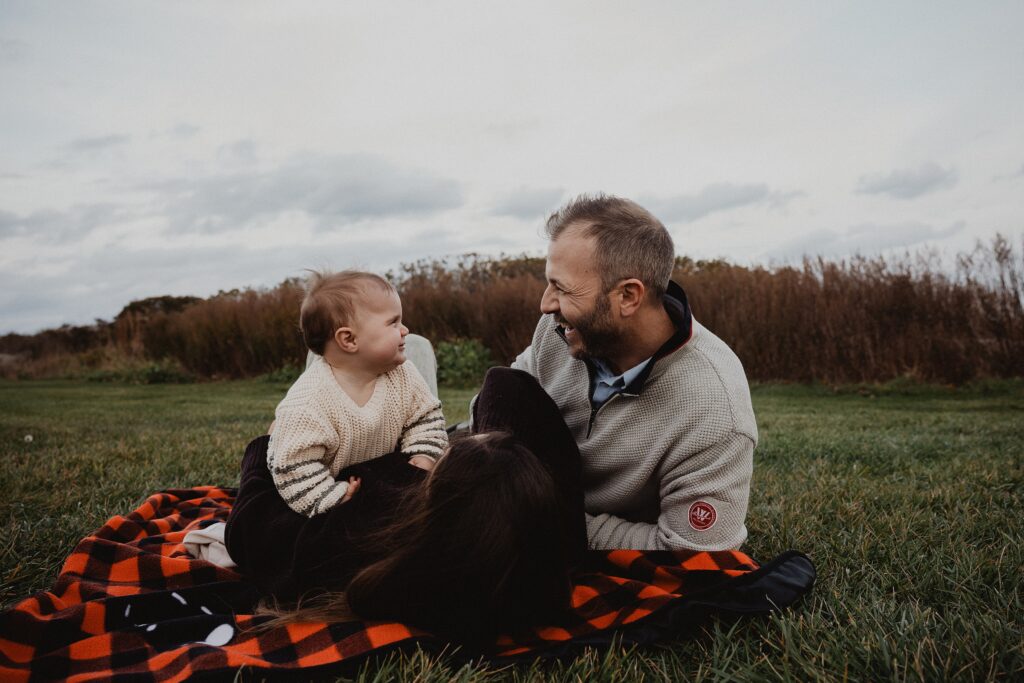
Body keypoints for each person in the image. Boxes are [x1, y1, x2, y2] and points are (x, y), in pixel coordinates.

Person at [226, 367, 585, 648]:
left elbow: (249, 528)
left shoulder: (358, 532)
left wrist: (266, 445)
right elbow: (508, 386)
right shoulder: (547, 548)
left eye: (448, 455)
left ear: (439, 497)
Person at [506, 193, 758, 552]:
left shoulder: (715, 408)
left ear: (627, 296)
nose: (545, 304)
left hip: (557, 520)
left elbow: (694, 547)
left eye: (561, 288)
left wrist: (555, 524)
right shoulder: (560, 330)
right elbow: (501, 405)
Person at [267, 270, 447, 517]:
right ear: (349, 339)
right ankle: (267, 442)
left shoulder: (403, 373)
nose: (405, 330)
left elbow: (425, 419)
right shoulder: (308, 403)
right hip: (326, 489)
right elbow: (293, 467)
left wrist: (424, 453)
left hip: (378, 476)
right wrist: (331, 497)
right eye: (393, 322)